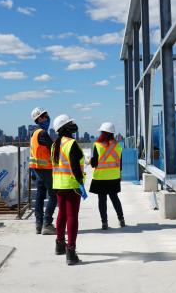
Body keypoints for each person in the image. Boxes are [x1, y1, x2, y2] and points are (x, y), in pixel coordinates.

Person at [51, 114, 87, 266]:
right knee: (72, 216)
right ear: (65, 127)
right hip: (72, 185)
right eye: (70, 123)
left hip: (58, 185)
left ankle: (59, 245)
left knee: (62, 215)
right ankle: (71, 252)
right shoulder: (71, 143)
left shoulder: (55, 144)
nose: (73, 124)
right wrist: (81, 183)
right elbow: (74, 166)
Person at [89, 122, 125, 230]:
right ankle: (121, 219)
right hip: (114, 177)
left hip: (101, 178)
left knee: (102, 200)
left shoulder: (97, 145)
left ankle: (104, 223)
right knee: (115, 198)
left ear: (103, 133)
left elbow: (94, 163)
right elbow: (120, 164)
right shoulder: (118, 146)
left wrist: (91, 161)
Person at [29, 107, 57, 235]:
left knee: (40, 196)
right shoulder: (43, 133)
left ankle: (38, 224)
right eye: (45, 116)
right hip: (46, 170)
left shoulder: (33, 134)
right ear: (39, 118)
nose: (48, 118)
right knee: (53, 196)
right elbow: (53, 150)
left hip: (37, 170)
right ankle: (47, 223)